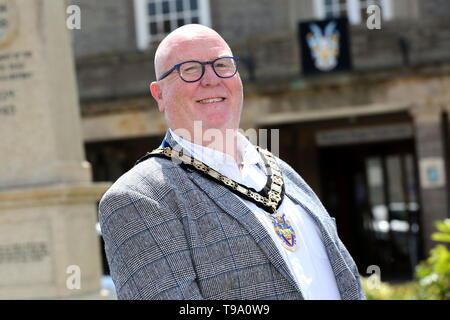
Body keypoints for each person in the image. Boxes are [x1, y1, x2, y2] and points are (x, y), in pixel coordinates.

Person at [98, 24, 365, 300]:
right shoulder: (137, 198)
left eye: (223, 65)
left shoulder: (282, 171)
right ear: (159, 94)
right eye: (190, 69)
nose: (212, 78)